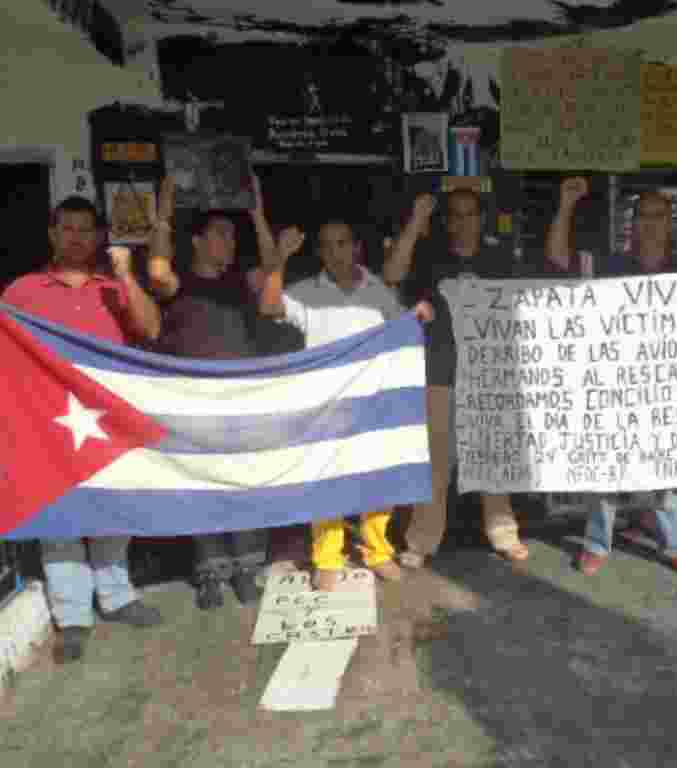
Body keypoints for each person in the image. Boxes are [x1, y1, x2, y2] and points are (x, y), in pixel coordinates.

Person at [1, 196, 164, 661]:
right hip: (47, 424)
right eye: (67, 229)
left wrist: (126, 276)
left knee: (112, 509)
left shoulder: (111, 288)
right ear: (52, 234)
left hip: (107, 423)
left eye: (85, 230)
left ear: (98, 237)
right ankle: (72, 615)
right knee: (62, 519)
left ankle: (116, 595)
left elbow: (150, 328)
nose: (76, 238)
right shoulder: (21, 292)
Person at [546, 177, 677, 578]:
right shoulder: (608, 264)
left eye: (660, 216)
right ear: (631, 224)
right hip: (616, 383)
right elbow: (557, 259)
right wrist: (567, 204)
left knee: (669, 466)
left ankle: (676, 547)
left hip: (667, 384)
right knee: (608, 463)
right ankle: (598, 544)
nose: (651, 223)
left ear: (671, 223)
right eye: (644, 216)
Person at [259, 217, 430, 588]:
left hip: (375, 405)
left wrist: (418, 317)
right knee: (328, 480)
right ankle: (327, 557)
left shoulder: (379, 290)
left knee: (380, 480)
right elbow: (270, 308)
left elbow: (401, 327)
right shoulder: (305, 292)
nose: (336, 252)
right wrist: (278, 261)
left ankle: (378, 551)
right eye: (327, 245)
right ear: (319, 252)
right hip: (327, 406)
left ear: (356, 247)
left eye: (342, 243)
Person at [148, 175, 280, 610]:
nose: (230, 241)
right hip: (191, 404)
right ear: (197, 242)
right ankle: (210, 573)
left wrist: (256, 211)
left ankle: (247, 569)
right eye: (221, 234)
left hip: (240, 403)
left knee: (242, 484)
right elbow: (155, 270)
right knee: (201, 487)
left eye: (232, 234)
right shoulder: (178, 283)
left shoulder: (243, 282)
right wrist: (165, 204)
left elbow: (273, 266)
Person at [382, 189, 531, 567]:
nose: (464, 223)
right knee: (438, 458)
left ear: (482, 219)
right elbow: (391, 275)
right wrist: (416, 221)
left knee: (491, 455)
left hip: (488, 373)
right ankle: (421, 541)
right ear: (446, 222)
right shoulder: (430, 257)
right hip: (440, 370)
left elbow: (522, 308)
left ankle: (504, 534)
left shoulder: (499, 259)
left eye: (470, 215)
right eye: (456, 216)